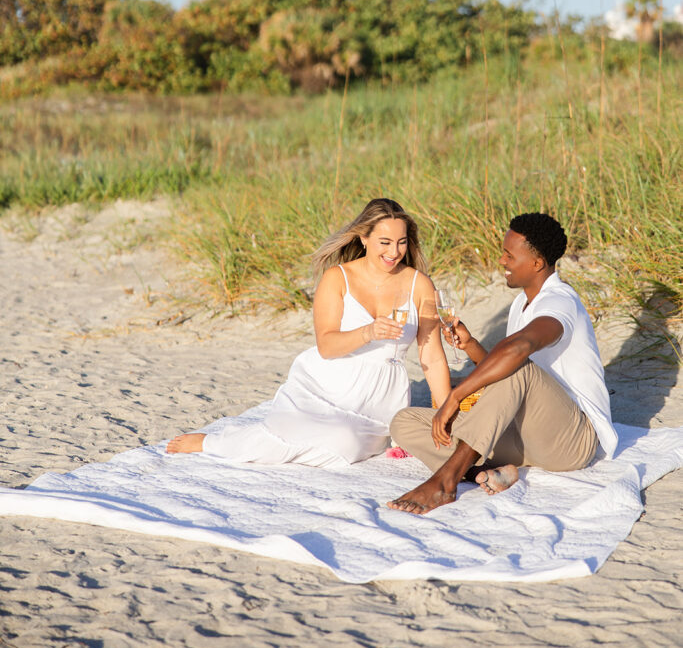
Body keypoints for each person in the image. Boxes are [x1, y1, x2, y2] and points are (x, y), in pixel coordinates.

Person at [167, 198, 451, 467]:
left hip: (381, 395)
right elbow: (326, 346)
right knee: (291, 432)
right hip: (329, 383)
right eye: (385, 242)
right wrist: (369, 331)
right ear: (363, 238)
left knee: (348, 445)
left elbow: (433, 358)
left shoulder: (419, 284)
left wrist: (448, 411)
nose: (394, 252)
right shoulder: (337, 278)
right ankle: (215, 442)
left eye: (401, 242)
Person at [387, 212, 617, 515]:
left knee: (516, 365)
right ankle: (485, 474)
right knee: (405, 422)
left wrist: (455, 396)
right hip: (526, 437)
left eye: (509, 255)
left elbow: (520, 351)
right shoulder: (521, 305)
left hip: (571, 440)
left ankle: (446, 481)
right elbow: (504, 379)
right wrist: (470, 345)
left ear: (537, 264)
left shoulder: (561, 302)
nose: (502, 261)